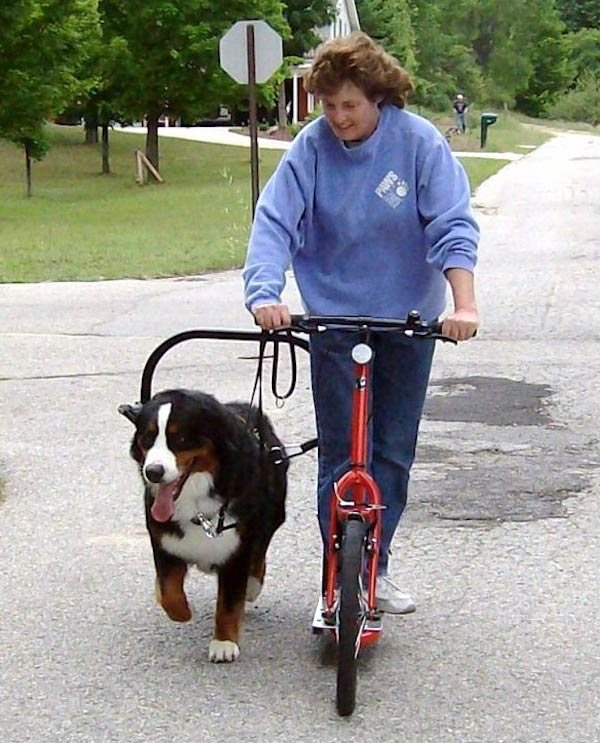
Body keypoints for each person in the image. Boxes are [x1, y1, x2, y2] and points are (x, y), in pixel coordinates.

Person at [243, 32, 479, 614]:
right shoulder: (311, 148)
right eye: (328, 106)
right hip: (335, 322)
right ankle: (336, 580)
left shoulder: (419, 144)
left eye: (349, 105)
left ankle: (378, 566)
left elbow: (452, 225)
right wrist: (264, 293)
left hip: (408, 322)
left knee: (392, 451)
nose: (338, 117)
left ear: (378, 97)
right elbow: (275, 222)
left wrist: (464, 305)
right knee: (343, 456)